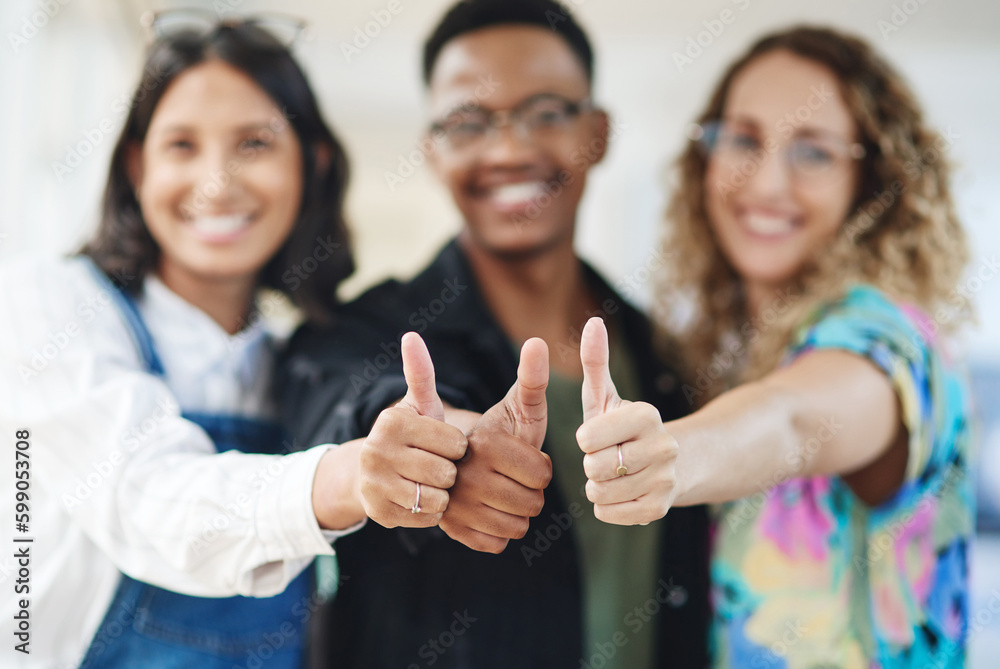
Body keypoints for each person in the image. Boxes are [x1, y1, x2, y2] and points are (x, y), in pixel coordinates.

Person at [280, 1, 710, 667]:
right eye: (468, 122)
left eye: (545, 113)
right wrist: (442, 448)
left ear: (596, 133)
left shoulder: (665, 358)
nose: (509, 149)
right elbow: (352, 400)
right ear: (433, 150)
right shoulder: (358, 331)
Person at [575, 26, 974, 668]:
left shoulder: (888, 339)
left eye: (813, 152)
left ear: (871, 178)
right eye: (743, 139)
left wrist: (674, 454)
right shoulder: (737, 352)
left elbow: (794, 419)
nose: (766, 182)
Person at [0, 13, 368, 668]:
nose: (216, 182)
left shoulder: (304, 363)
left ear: (311, 164)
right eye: (181, 145)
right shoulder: (48, 304)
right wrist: (337, 480)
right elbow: (145, 494)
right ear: (137, 167)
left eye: (254, 143)